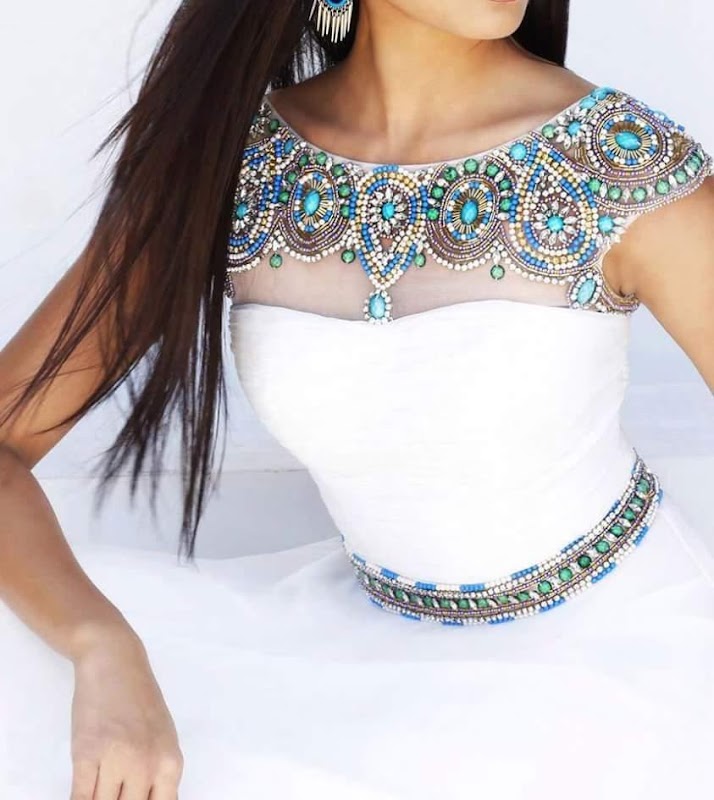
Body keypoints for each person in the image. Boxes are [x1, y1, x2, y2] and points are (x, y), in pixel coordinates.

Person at [1, 1, 713, 798]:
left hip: (621, 663)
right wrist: (101, 646)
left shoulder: (620, 166)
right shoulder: (236, 165)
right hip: (363, 651)